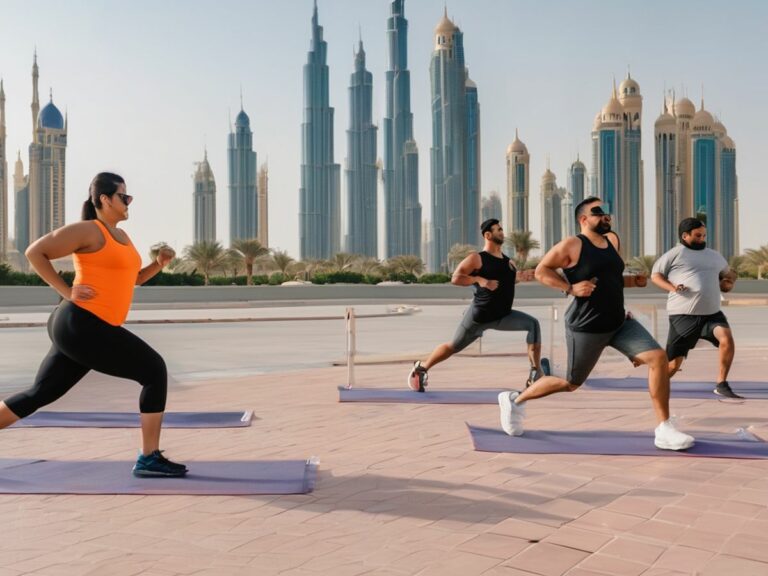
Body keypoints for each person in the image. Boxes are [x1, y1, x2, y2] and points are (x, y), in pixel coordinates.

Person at [0, 172, 187, 477]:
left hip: (85, 328)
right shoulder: (90, 230)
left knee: (40, 394)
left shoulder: (122, 238)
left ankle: (150, 457)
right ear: (105, 199)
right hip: (82, 322)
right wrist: (66, 290)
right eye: (123, 197)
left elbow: (133, 279)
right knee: (154, 370)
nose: (129, 203)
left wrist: (158, 265)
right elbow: (36, 252)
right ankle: (149, 457)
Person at [497, 197, 695, 451]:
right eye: (598, 212)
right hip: (587, 326)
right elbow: (542, 271)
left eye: (606, 211)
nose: (605, 216)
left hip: (619, 322)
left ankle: (664, 429)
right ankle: (515, 399)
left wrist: (632, 282)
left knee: (657, 358)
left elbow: (609, 279)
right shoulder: (572, 244)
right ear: (583, 219)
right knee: (571, 383)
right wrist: (570, 288)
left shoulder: (611, 242)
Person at [407, 218, 545, 392]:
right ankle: (422, 367)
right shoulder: (477, 258)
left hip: (503, 315)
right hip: (479, 317)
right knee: (453, 347)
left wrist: (521, 277)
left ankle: (535, 372)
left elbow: (506, 283)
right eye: (498, 230)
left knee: (533, 325)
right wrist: (480, 280)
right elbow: (456, 278)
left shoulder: (508, 262)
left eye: (502, 229)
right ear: (488, 235)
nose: (502, 232)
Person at [651, 218, 741, 398]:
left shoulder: (714, 255)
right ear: (685, 236)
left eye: (704, 235)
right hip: (683, 315)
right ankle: (655, 389)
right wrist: (673, 287)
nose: (702, 239)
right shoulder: (675, 254)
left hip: (712, 313)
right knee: (673, 365)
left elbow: (727, 279)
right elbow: (655, 276)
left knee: (727, 339)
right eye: (698, 235)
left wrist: (728, 283)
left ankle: (721, 383)